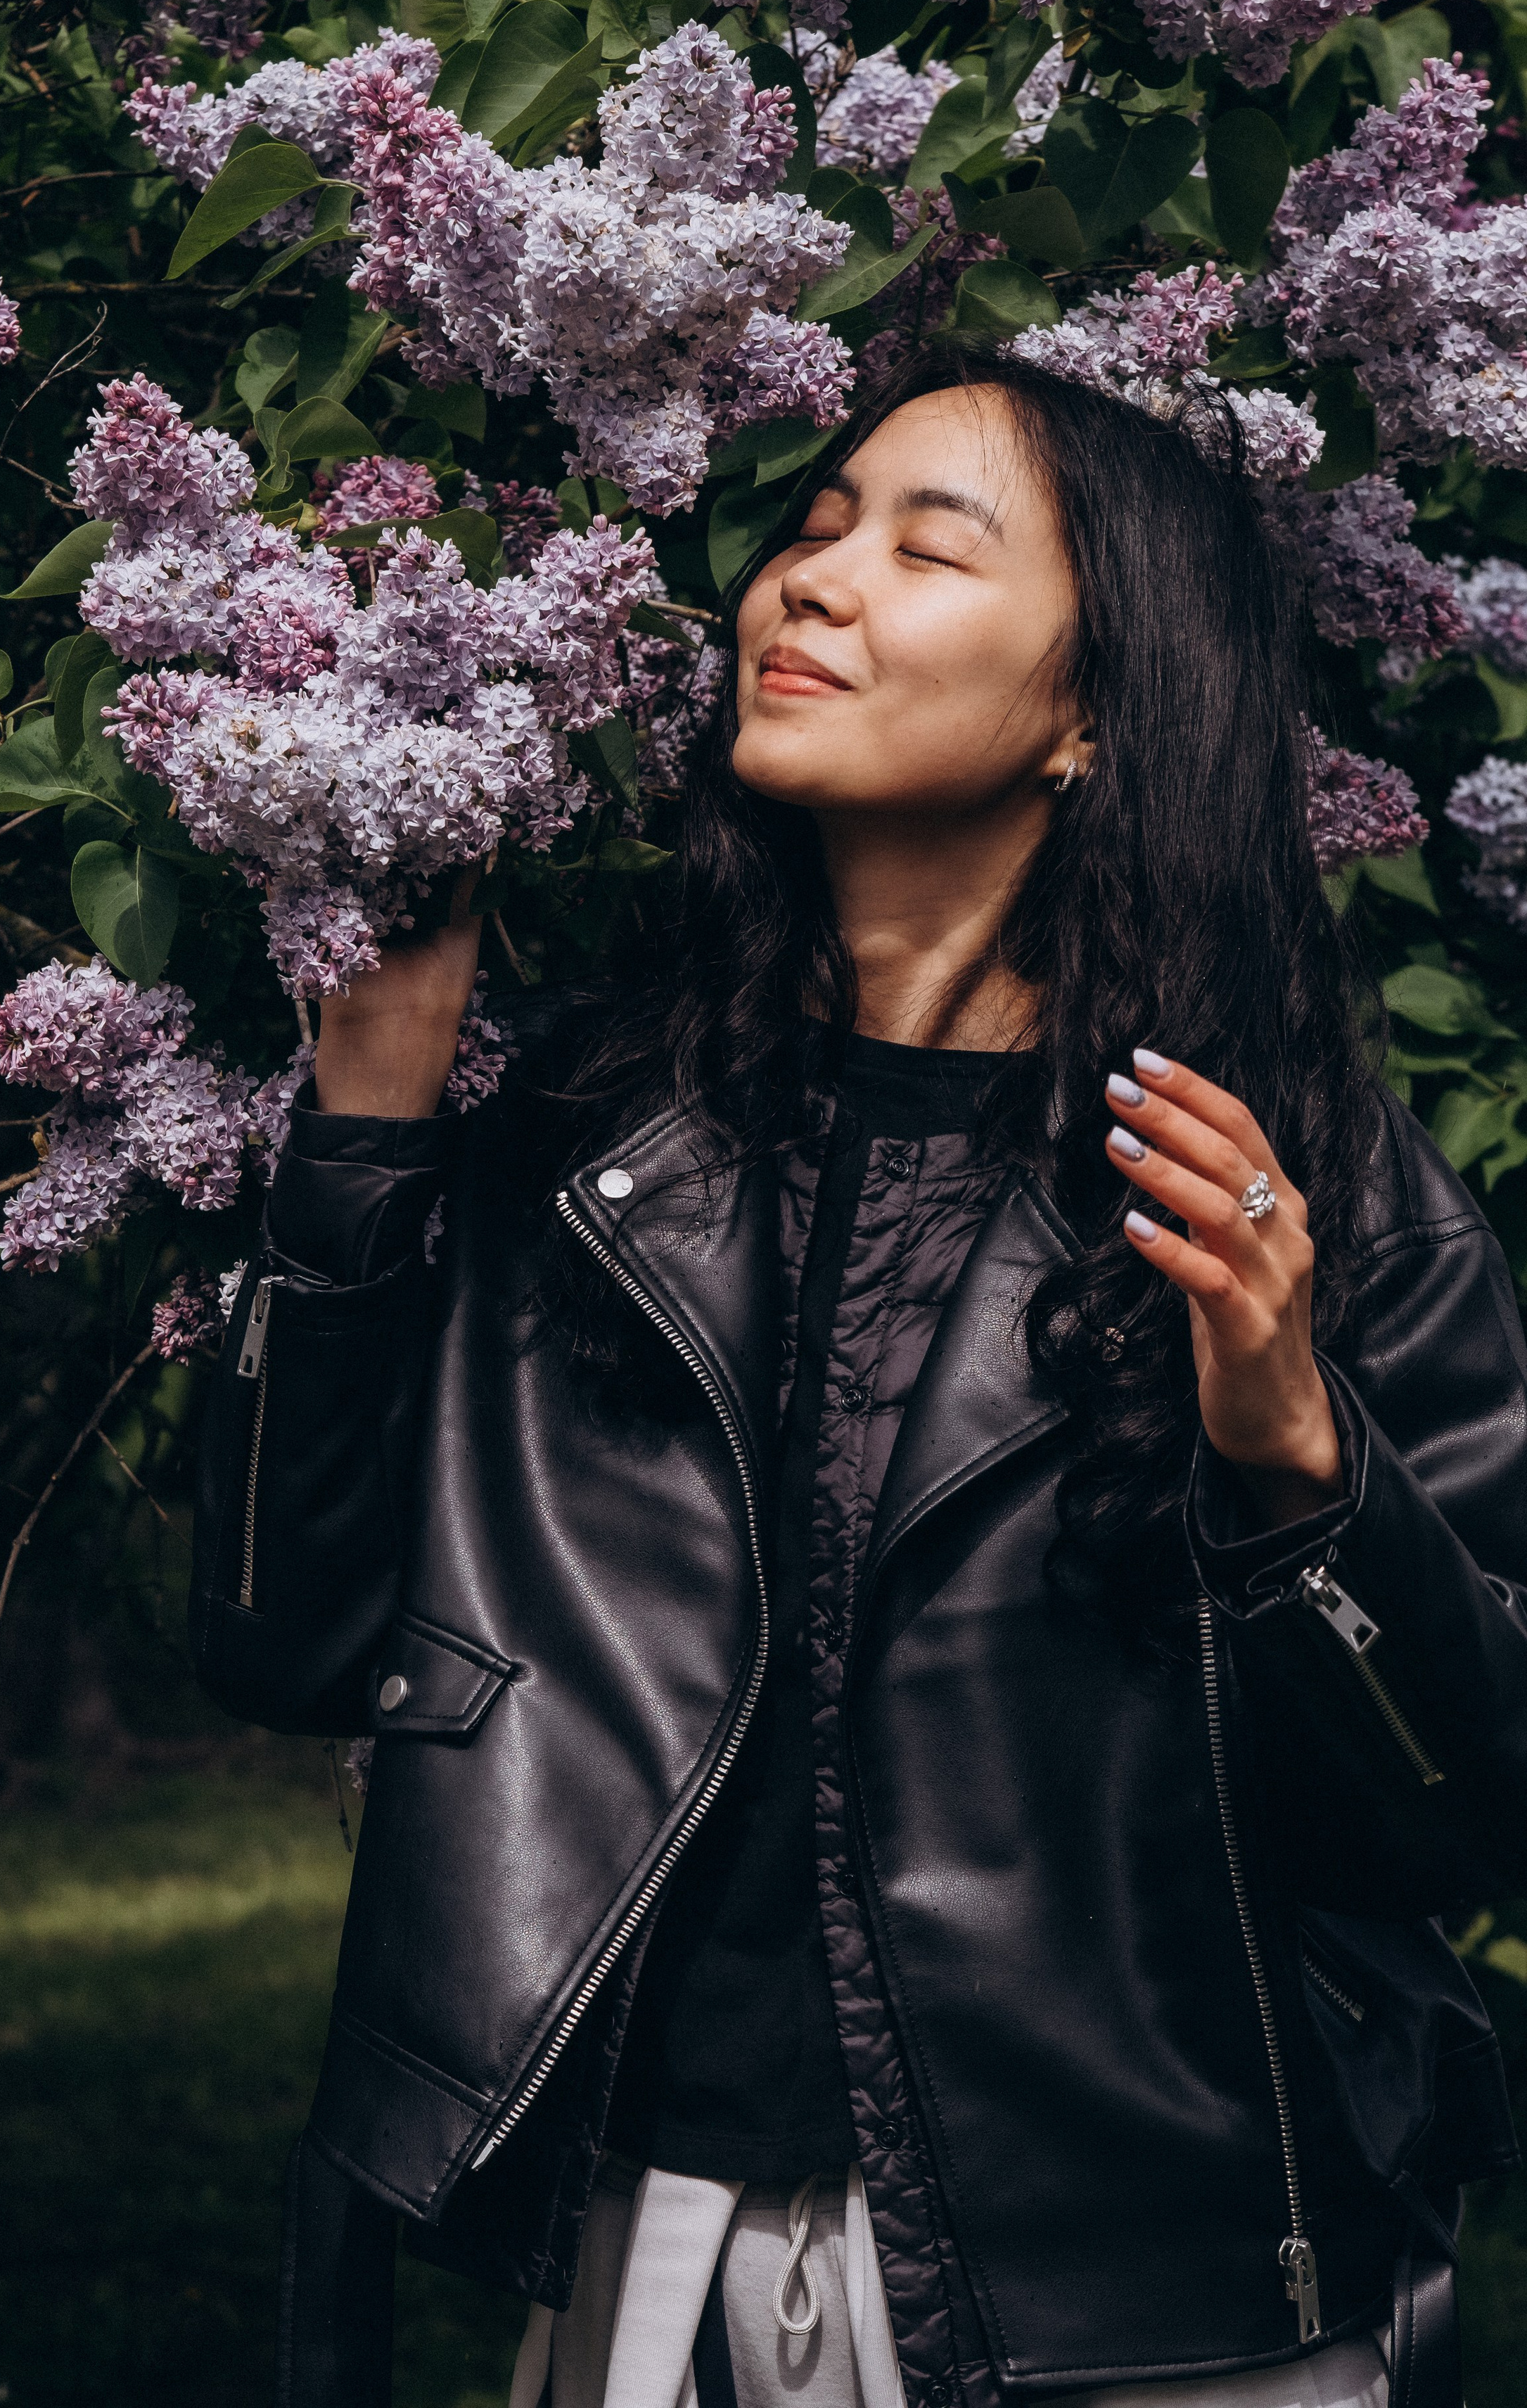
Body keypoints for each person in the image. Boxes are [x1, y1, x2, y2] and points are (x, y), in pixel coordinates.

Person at [191, 343, 1527, 2408]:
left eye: (928, 547)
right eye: (814, 530)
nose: (812, 584)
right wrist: (364, 1133)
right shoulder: (590, 1131)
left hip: (1147, 2301)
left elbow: (1470, 1813)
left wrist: (1293, 1452)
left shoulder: (1301, 1185)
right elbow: (288, 1638)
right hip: (650, 2268)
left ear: (1093, 710)